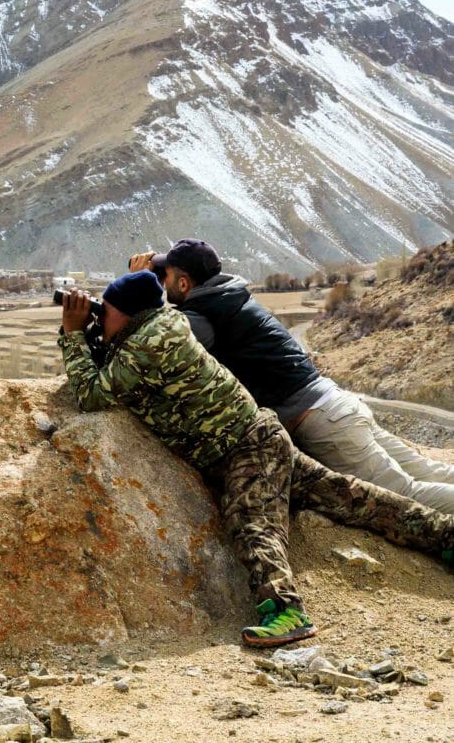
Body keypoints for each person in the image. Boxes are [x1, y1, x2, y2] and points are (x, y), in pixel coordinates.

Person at [58, 270, 453, 648]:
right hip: (260, 435)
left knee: (253, 525)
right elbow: (113, 372)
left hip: (246, 448)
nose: (97, 314)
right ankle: (443, 534)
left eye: (103, 309)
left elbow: (93, 396)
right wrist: (92, 330)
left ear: (126, 314)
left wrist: (74, 334)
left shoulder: (148, 344)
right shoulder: (160, 327)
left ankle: (286, 612)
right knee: (349, 497)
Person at [129, 241, 454, 515]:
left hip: (326, 423)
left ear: (184, 283)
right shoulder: (229, 298)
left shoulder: (203, 317)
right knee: (426, 470)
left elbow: (151, 344)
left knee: (406, 494)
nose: (161, 282)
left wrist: (137, 288)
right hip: (337, 405)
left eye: (165, 276)